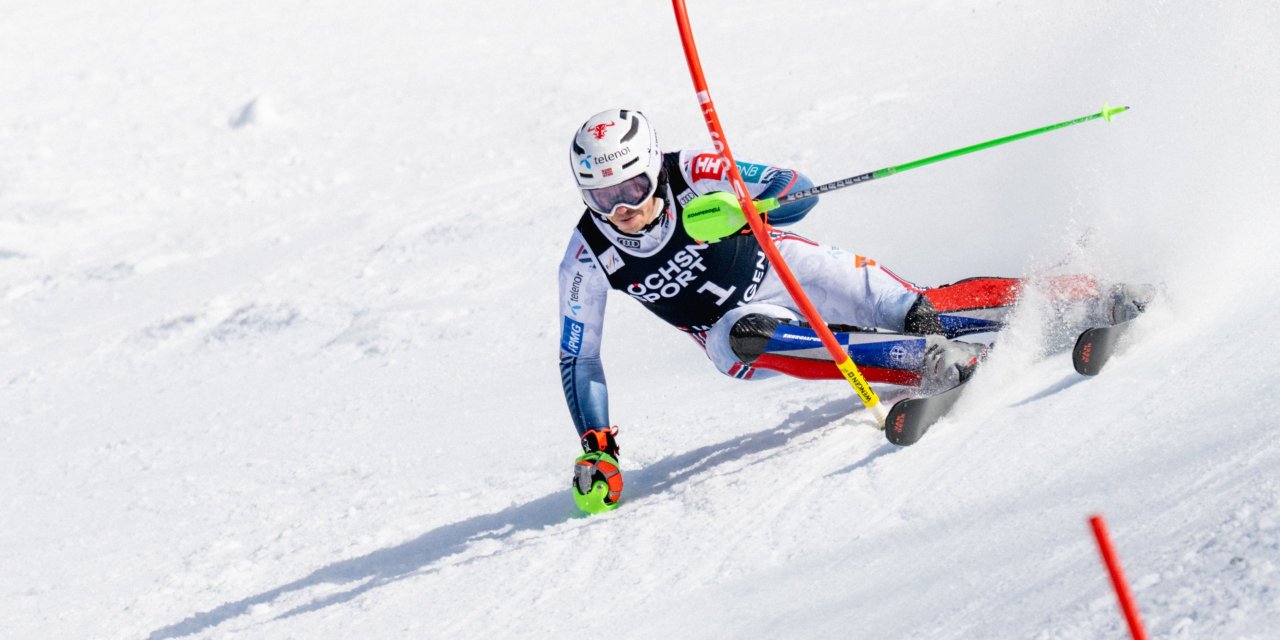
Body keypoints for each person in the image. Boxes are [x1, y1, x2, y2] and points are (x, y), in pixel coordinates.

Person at [558, 108, 1150, 513]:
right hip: (731, 333)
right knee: (742, 334)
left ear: (651, 169)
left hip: (788, 269)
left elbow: (801, 190)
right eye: (603, 196)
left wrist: (745, 205)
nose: (623, 208)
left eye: (632, 188)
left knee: (918, 309)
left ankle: (1085, 293)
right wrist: (597, 447)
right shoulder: (588, 256)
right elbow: (579, 357)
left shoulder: (691, 171)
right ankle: (931, 362)